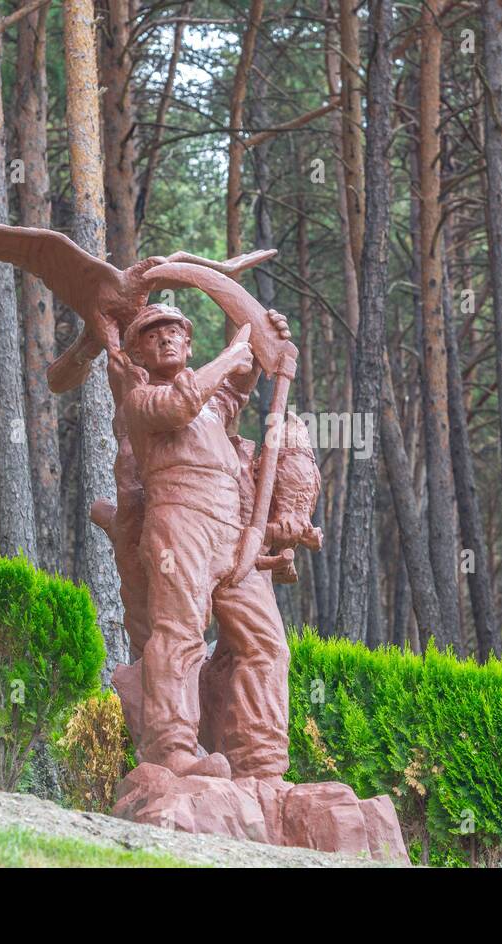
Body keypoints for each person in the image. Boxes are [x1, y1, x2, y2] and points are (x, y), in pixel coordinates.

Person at [113, 302, 293, 781]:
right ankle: (171, 747)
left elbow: (233, 388)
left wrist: (260, 337)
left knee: (266, 643)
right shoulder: (142, 400)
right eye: (152, 336)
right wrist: (235, 353)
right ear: (138, 354)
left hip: (233, 531)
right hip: (179, 523)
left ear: (190, 344)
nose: (166, 339)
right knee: (179, 631)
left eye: (174, 331)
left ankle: (260, 757)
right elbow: (180, 404)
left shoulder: (214, 407)